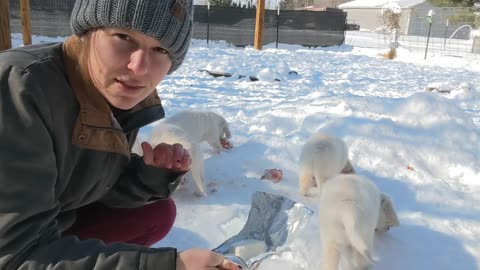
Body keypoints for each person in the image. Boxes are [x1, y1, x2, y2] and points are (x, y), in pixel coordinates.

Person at [0, 0, 239, 269]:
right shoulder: (19, 90)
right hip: (18, 247)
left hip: (54, 221)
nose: (139, 67)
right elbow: (14, 256)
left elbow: (92, 184)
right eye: (124, 37)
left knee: (155, 213)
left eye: (160, 49)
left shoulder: (116, 92)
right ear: (88, 31)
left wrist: (149, 175)